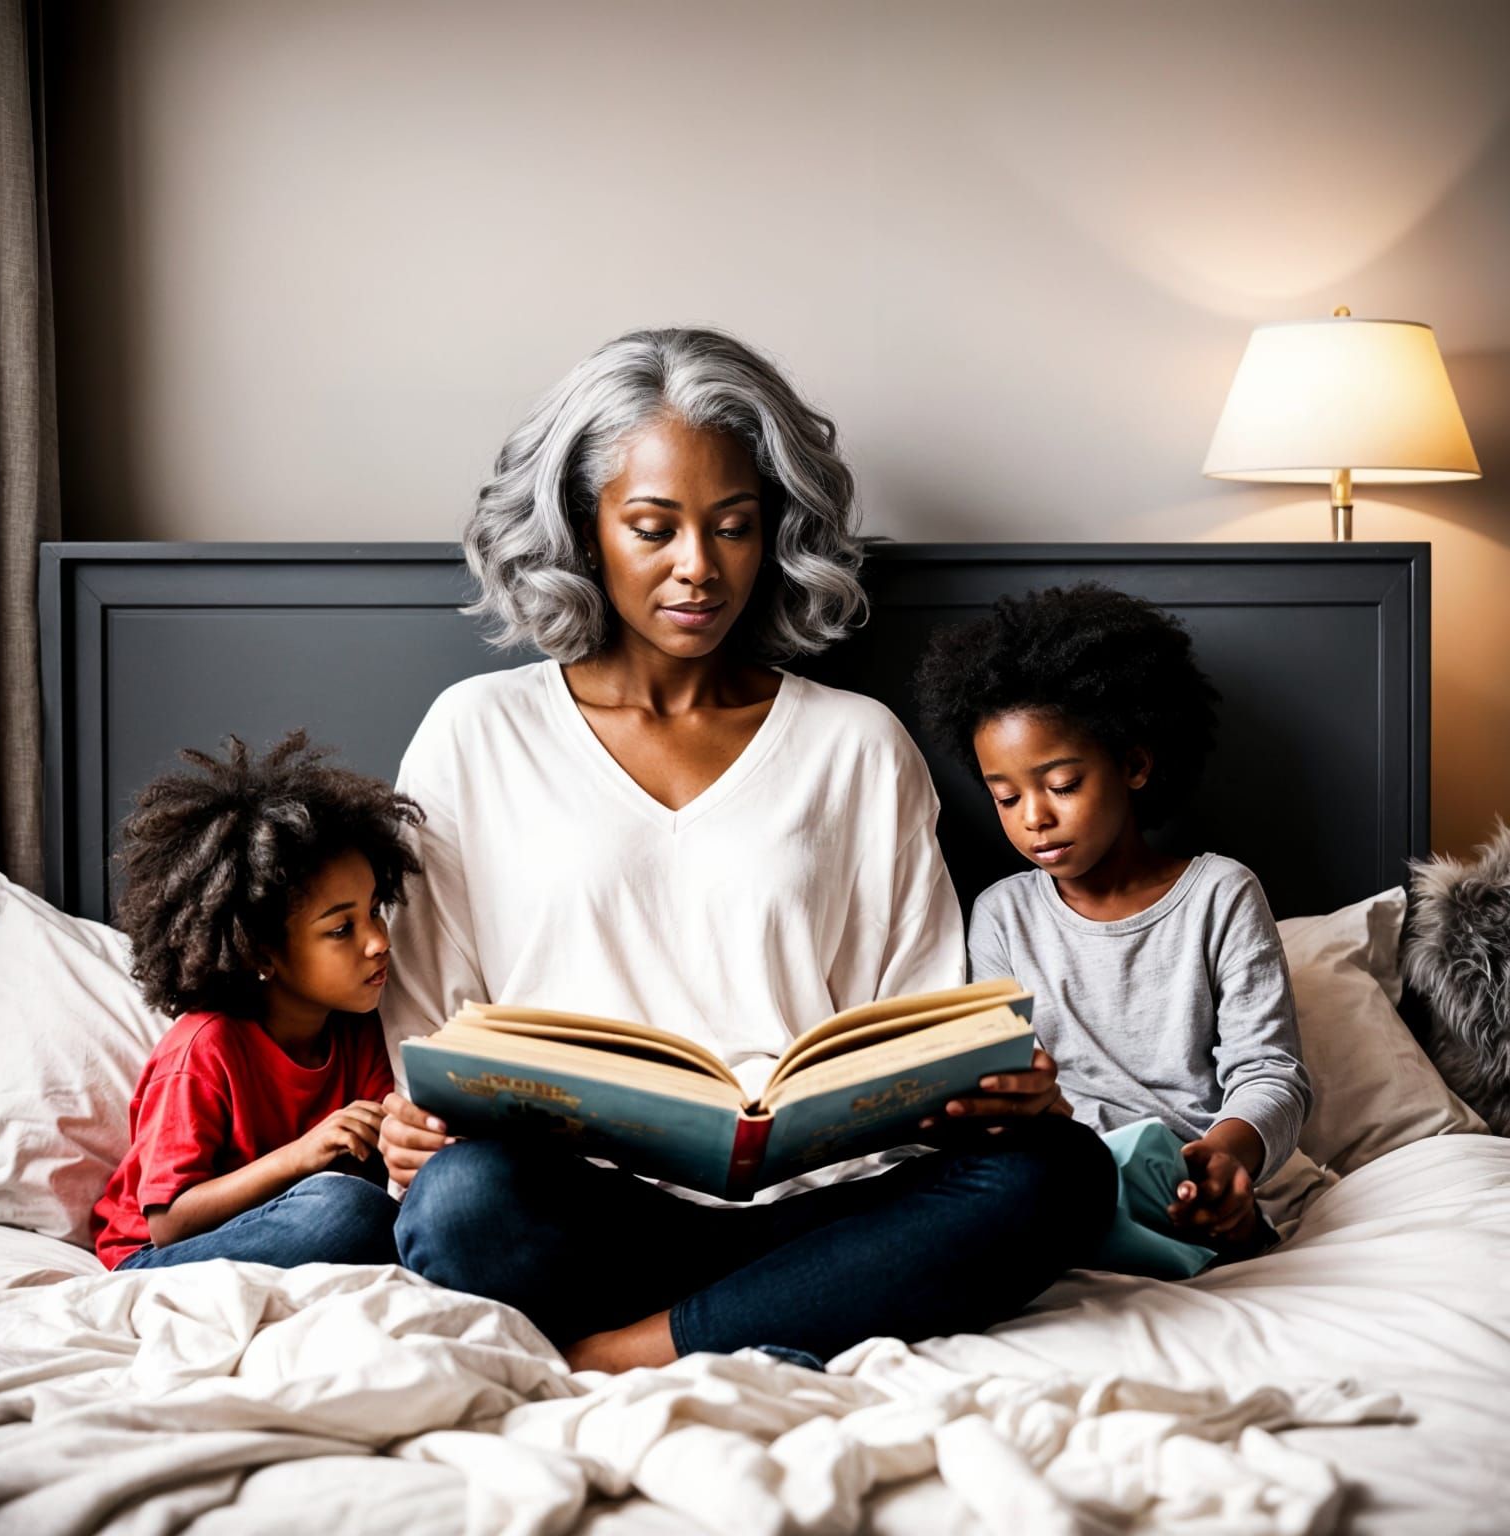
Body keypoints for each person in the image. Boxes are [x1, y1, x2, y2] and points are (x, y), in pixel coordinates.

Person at [377, 326, 1118, 1370]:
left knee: (1063, 1174)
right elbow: (427, 1029)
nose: (698, 569)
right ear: (585, 532)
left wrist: (985, 1099)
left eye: (733, 527)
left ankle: (633, 1351)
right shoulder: (477, 732)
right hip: (582, 1211)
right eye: (653, 528)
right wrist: (422, 1126)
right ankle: (765, 1319)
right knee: (462, 1203)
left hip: (824, 1211)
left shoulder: (855, 743)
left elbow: (910, 1021)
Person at [916, 583, 1313, 1254]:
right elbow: (1003, 1079)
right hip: (1055, 1166)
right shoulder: (1003, 915)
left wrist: (1228, 1156)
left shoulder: (1220, 893)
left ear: (1132, 764)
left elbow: (1269, 1071)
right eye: (1006, 798)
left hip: (1186, 1167)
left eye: (1061, 786)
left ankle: (1219, 1228)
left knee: (1192, 1214)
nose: (1034, 817)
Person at [92, 732, 421, 1272]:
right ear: (261, 952)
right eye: (341, 928)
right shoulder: (203, 1050)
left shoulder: (361, 1030)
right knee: (346, 1212)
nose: (379, 940)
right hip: (153, 1257)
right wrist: (302, 1155)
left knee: (388, 1212)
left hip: (289, 1223)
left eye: (375, 909)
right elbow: (169, 1221)